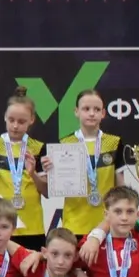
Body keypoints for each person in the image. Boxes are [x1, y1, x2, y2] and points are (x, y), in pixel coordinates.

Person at [51, 89, 120, 241]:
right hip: (74, 224)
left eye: (97, 109)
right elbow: (56, 186)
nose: (91, 113)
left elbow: (120, 186)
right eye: (86, 109)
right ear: (76, 111)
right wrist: (50, 171)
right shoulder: (64, 144)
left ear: (103, 113)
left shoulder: (115, 143)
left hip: (106, 223)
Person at [0, 88, 48, 251]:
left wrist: (33, 173)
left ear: (31, 120)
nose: (15, 126)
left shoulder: (38, 148)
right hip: (1, 227)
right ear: (5, 116)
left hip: (32, 227)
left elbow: (47, 191)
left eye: (21, 121)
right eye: (11, 120)